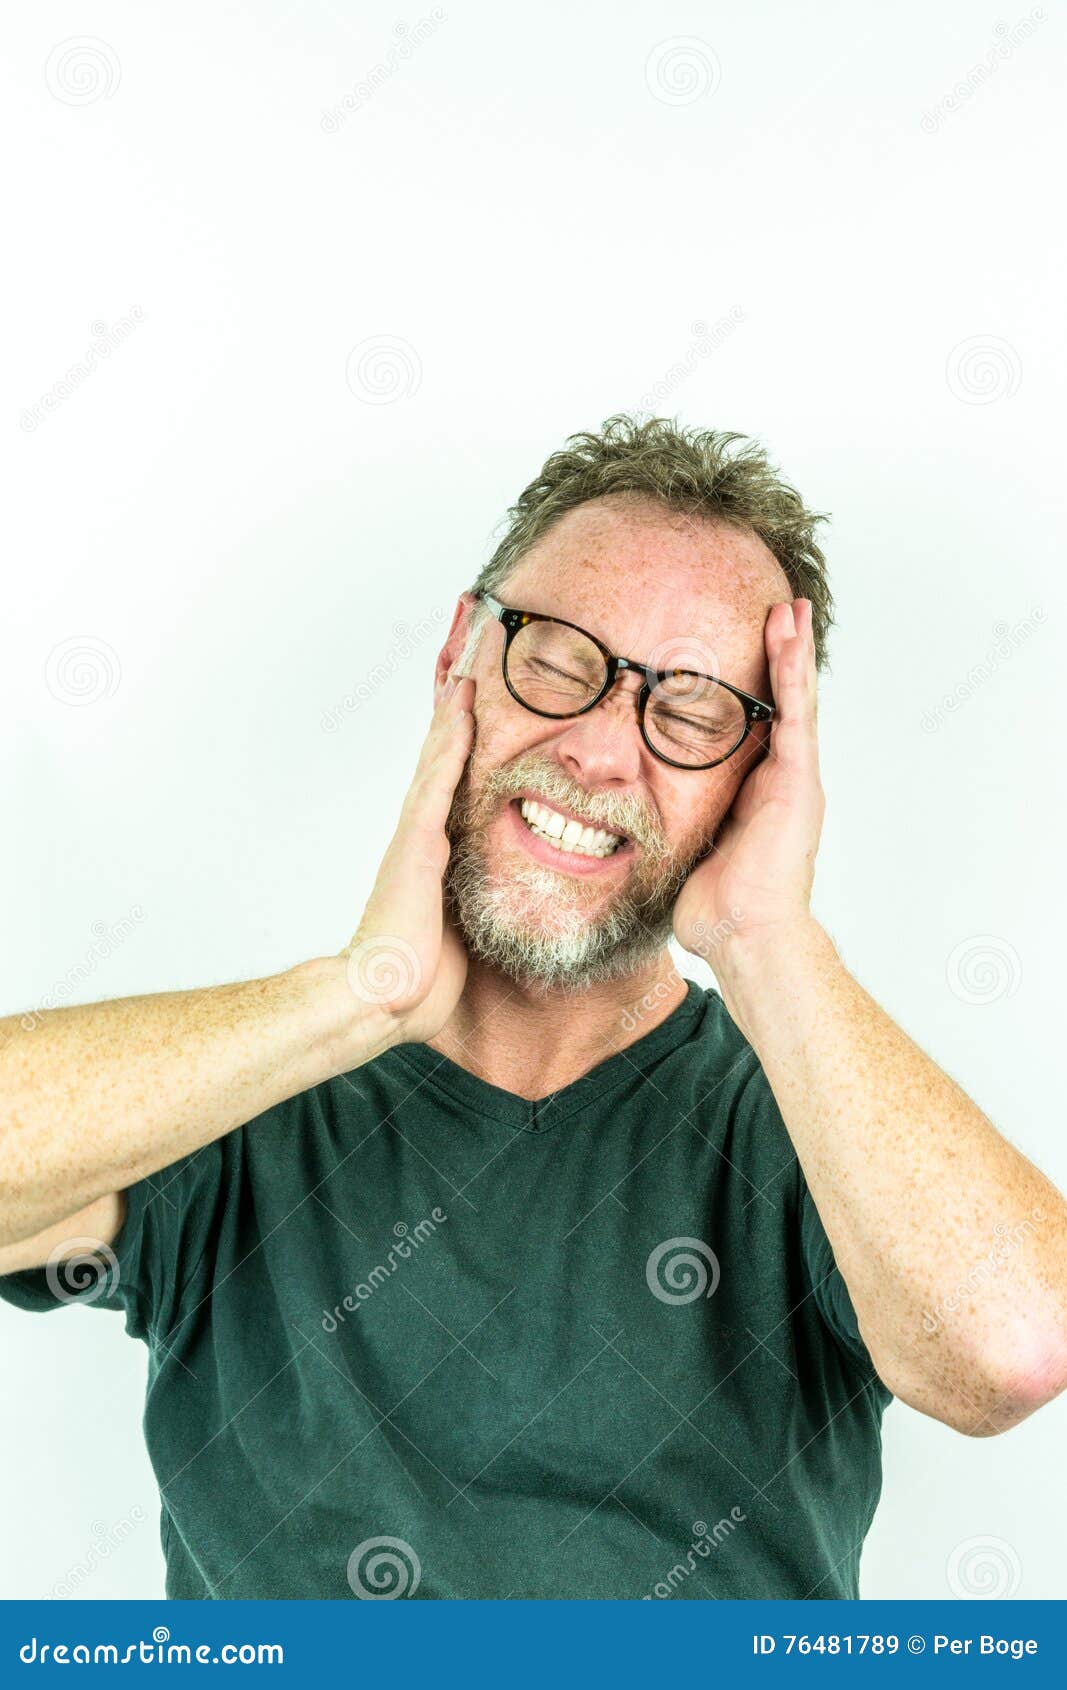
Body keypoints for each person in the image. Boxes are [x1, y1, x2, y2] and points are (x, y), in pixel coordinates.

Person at [2, 416, 1064, 1602]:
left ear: (758, 778)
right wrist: (363, 996)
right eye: (558, 659)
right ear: (462, 651)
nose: (601, 749)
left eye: (692, 712)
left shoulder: (820, 1129)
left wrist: (767, 938)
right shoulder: (245, 1099)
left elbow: (1010, 1352)